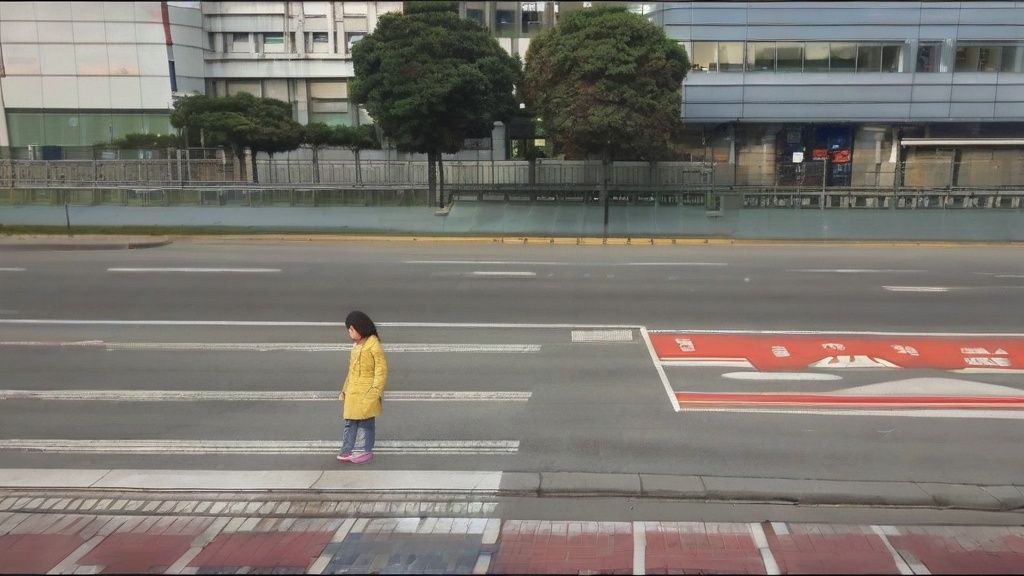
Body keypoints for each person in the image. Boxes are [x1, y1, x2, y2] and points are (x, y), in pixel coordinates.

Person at [337, 310, 388, 464]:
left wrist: (375, 391)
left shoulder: (373, 345)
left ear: (360, 328)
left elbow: (381, 370)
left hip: (367, 392)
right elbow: (351, 371)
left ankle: (365, 450)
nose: (350, 333)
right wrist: (344, 389)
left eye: (351, 329)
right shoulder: (356, 346)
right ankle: (347, 450)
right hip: (353, 392)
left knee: (366, 423)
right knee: (350, 422)